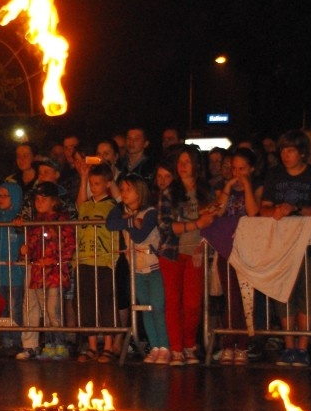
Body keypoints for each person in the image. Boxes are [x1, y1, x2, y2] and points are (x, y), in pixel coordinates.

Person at [259, 130, 311, 366]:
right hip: (282, 244)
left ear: (302, 152)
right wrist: (276, 211)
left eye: (290, 150)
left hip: (308, 243)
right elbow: (264, 208)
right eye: (283, 151)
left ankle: (303, 346)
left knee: (308, 293)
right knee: (283, 294)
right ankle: (288, 346)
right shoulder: (275, 175)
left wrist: (295, 208)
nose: (286, 155)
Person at [157, 145, 216, 366]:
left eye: (187, 162)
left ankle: (190, 343)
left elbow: (212, 222)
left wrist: (203, 238)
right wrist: (195, 224)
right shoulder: (169, 192)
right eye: (180, 163)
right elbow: (165, 226)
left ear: (196, 165)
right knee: (173, 302)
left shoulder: (206, 192)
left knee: (192, 304)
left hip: (196, 253)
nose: (182, 167)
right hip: (172, 252)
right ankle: (177, 348)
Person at [203, 147, 261, 364]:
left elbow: (253, 212)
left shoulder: (255, 189)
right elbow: (218, 210)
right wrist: (228, 186)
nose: (237, 173)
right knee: (231, 299)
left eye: (242, 169)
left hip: (248, 252)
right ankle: (228, 342)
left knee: (246, 300)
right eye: (234, 169)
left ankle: (243, 344)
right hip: (227, 251)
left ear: (251, 169)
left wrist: (246, 186)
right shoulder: (223, 189)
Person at [108, 174, 169, 363]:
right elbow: (110, 223)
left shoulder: (150, 212)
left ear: (140, 191)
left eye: (129, 190)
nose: (124, 193)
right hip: (136, 268)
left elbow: (140, 236)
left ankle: (165, 346)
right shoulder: (122, 210)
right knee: (145, 308)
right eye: (122, 190)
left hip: (154, 266)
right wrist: (130, 221)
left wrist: (131, 223)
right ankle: (154, 346)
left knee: (158, 307)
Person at [17, 182, 75, 360]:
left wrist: (53, 260)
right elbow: (33, 246)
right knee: (45, 309)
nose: (39, 202)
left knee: (53, 309)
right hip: (39, 273)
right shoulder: (36, 222)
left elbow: (69, 245)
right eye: (37, 199)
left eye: (44, 198)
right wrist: (26, 250)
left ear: (54, 201)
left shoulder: (61, 220)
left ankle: (60, 344)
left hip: (54, 273)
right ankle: (50, 344)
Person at [74, 162, 121, 363]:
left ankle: (108, 346)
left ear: (107, 184)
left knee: (105, 303)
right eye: (92, 184)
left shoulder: (112, 206)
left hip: (104, 260)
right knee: (86, 304)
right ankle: (92, 346)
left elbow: (121, 201)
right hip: (84, 259)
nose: (94, 187)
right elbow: (79, 204)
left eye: (98, 183)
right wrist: (83, 177)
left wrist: (113, 183)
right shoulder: (86, 204)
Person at [0, 182, 26, 356]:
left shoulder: (19, 221)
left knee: (15, 308)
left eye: (5, 196)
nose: (1, 199)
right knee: (1, 308)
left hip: (15, 274)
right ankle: (5, 341)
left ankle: (16, 340)